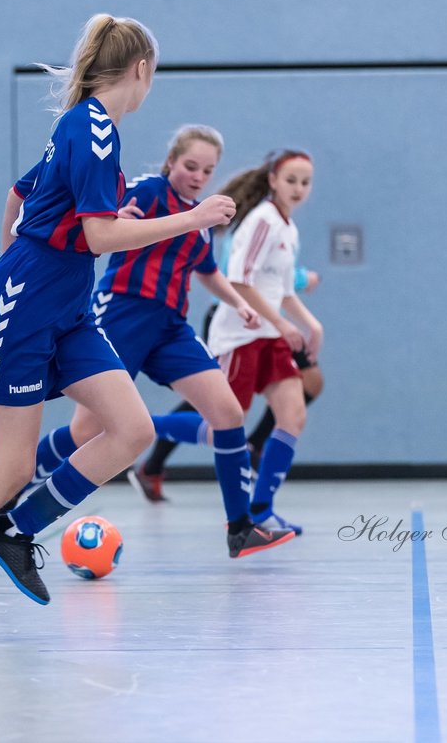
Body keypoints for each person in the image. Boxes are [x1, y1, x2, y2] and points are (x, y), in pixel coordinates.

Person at [0, 14, 236, 639]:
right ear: (142, 70)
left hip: (68, 305)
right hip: (29, 302)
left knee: (131, 429)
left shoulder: (88, 130)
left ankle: (14, 530)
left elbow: (20, 199)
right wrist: (193, 218)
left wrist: (30, 252)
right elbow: (100, 236)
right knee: (9, 468)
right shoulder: (91, 129)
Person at [22, 124, 297, 560]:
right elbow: (98, 210)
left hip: (171, 327)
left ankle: (240, 528)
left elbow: (206, 270)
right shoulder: (148, 192)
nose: (198, 176)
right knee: (86, 430)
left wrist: (239, 304)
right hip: (123, 315)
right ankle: (16, 479)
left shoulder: (201, 218)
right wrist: (115, 214)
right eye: (190, 166)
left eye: (207, 170)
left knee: (227, 414)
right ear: (171, 162)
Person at [127, 150, 320, 533]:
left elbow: (281, 289)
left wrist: (312, 325)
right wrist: (283, 324)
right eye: (291, 180)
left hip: (270, 336)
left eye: (305, 182)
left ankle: (262, 509)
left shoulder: (288, 228)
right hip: (240, 337)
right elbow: (237, 280)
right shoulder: (262, 220)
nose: (298, 189)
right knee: (222, 428)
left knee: (293, 415)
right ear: (273, 181)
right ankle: (141, 424)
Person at [132, 268, 323, 505]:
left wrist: (310, 323)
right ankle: (141, 431)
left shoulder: (284, 232)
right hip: (241, 324)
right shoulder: (243, 231)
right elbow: (237, 273)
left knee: (306, 389)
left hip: (269, 326)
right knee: (221, 414)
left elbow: (275, 275)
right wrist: (302, 279)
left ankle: (259, 490)